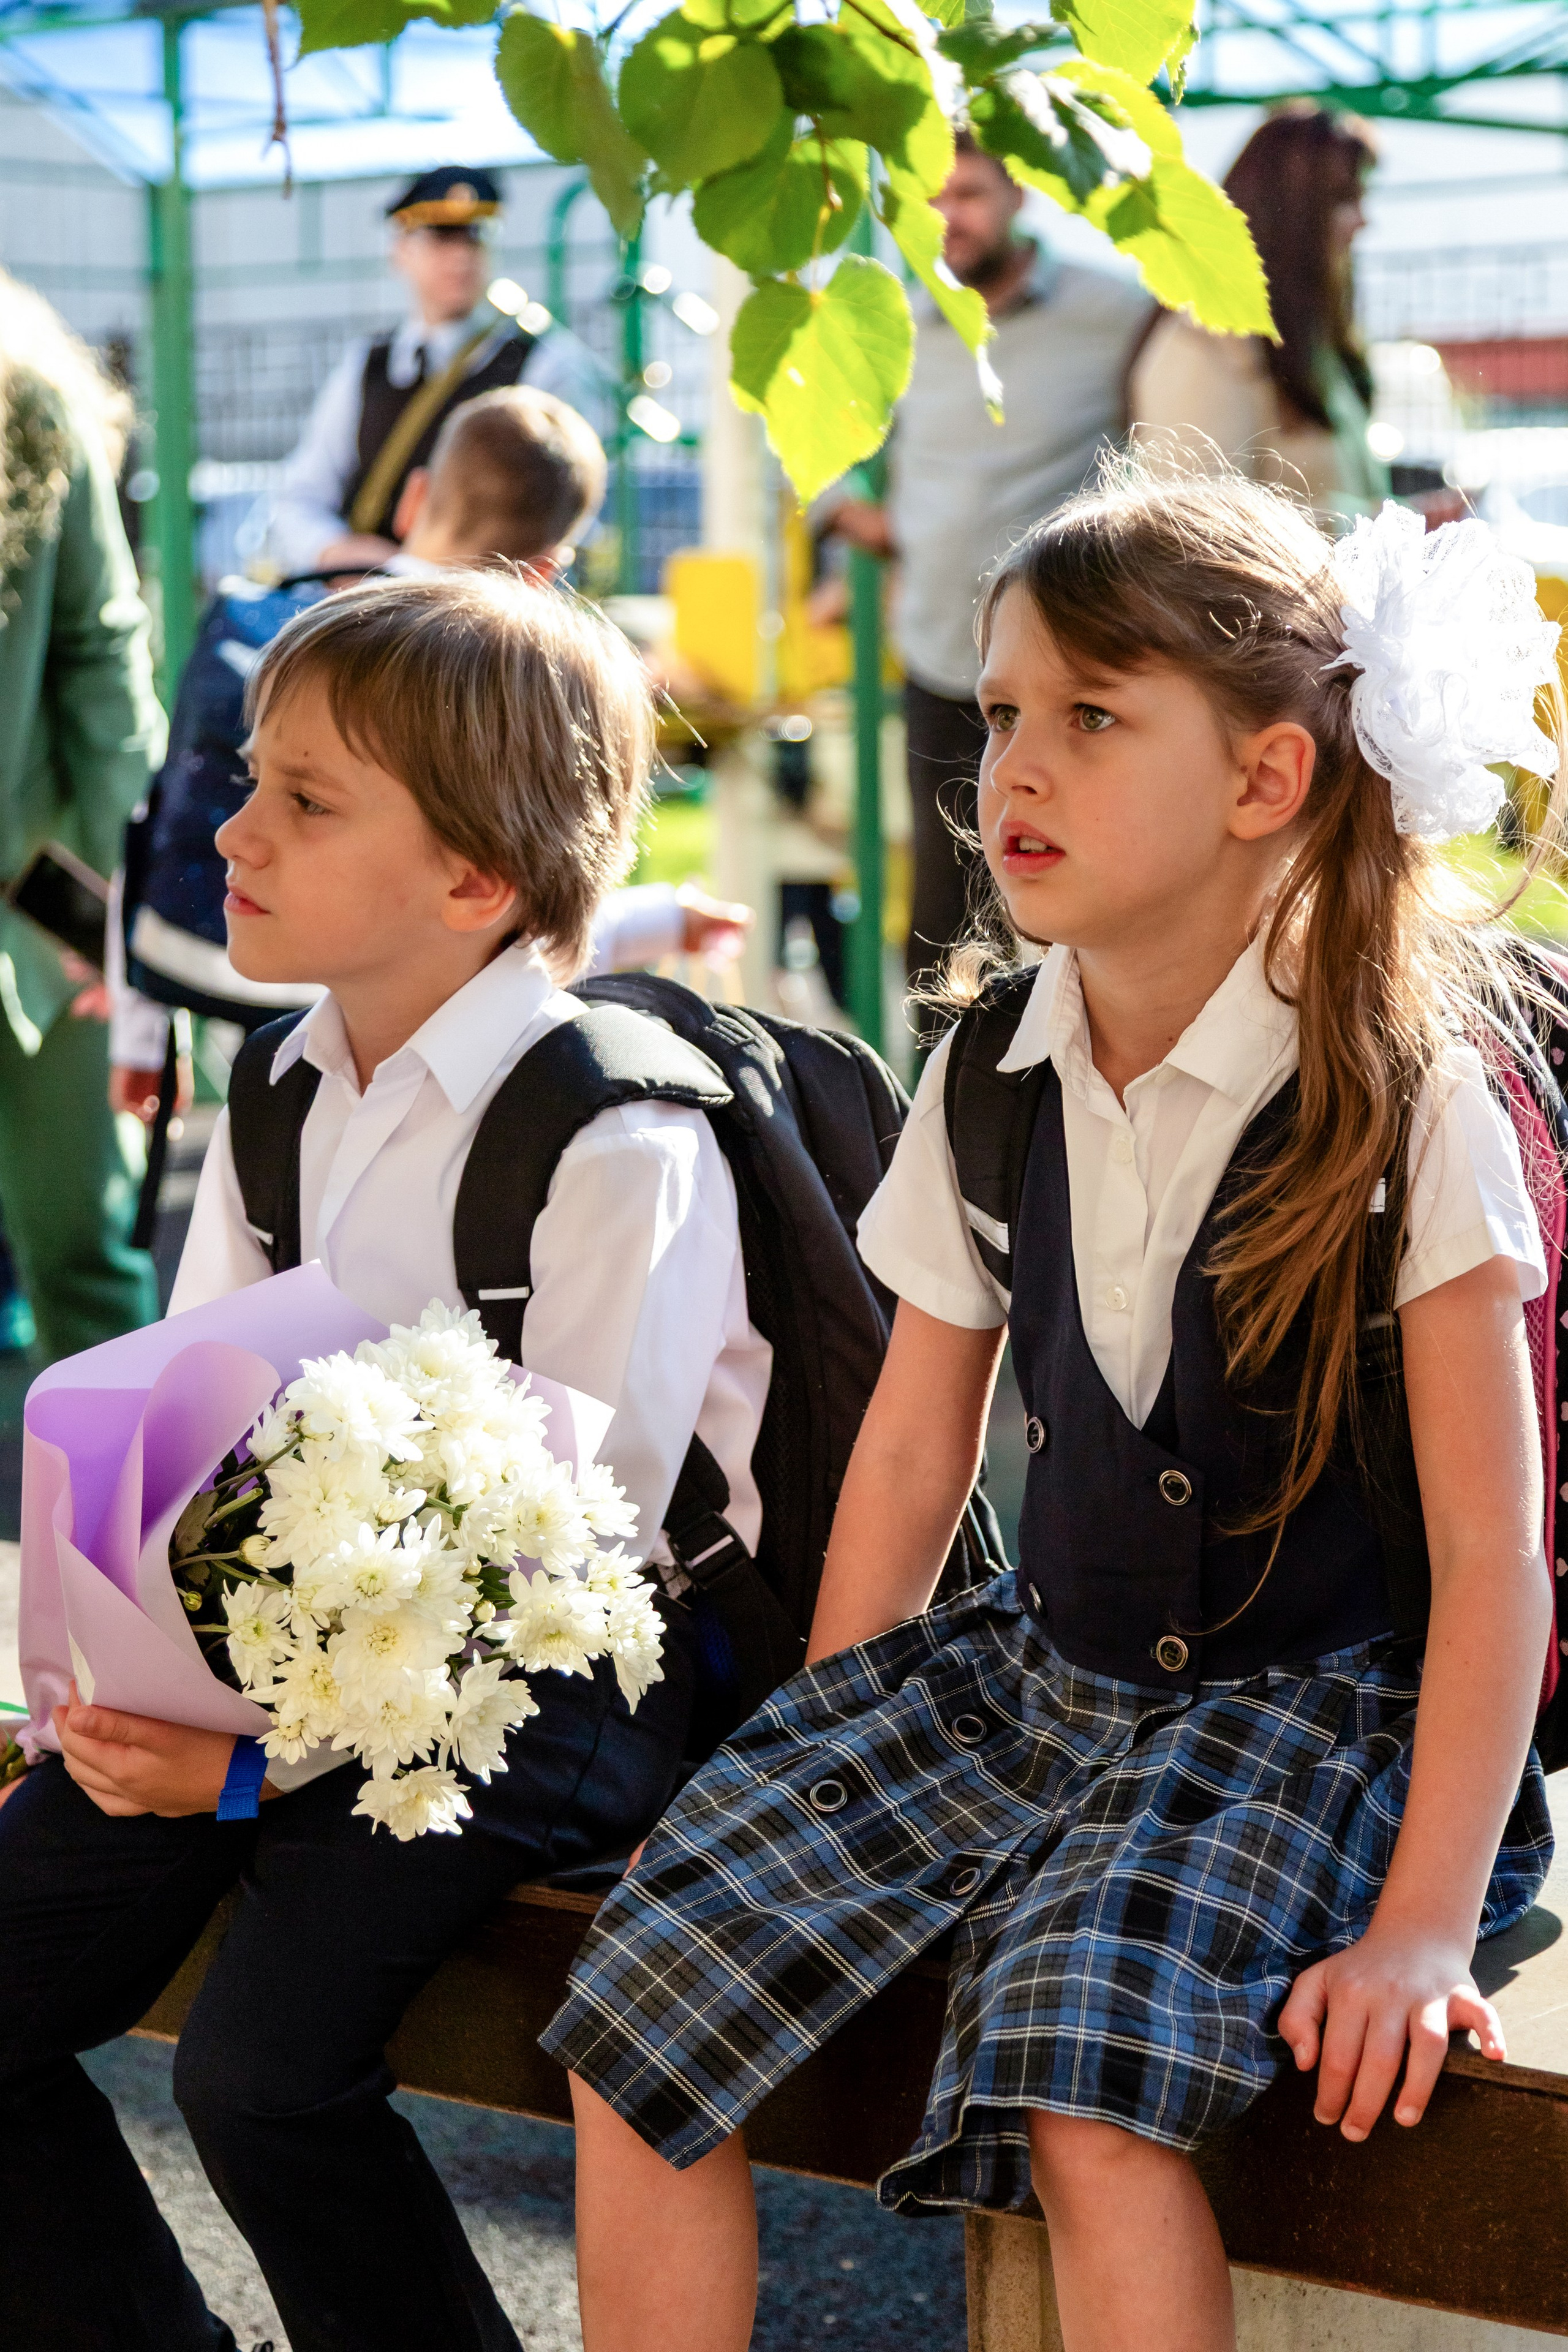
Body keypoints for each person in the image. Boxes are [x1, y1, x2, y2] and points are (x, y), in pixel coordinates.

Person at [543, 469, 1561, 2351]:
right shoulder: (996, 1066)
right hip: (1046, 1673)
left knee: (1085, 2083)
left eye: (1091, 717)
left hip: (1319, 1708)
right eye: (1005, 710)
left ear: (1267, 778)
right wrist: (817, 1741)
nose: (1012, 764)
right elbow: (917, 1445)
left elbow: (1495, 1551)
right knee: (647, 1980)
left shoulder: (1401, 1096)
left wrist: (1421, 1921)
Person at [0, 573, 772, 2352]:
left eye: (301, 799)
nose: (234, 830)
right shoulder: (279, 1080)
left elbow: (572, 1566)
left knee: (262, 2077)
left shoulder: (615, 1135)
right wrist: (100, 1670)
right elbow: (182, 1411)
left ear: (474, 881)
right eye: (252, 777)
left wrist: (251, 1770)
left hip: (543, 1694)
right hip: (275, 1663)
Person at [111, 386, 749, 1121]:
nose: (240, 832)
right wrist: (664, 920)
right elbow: (511, 917)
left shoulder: (304, 633)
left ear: (414, 501)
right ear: (545, 569)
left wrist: (139, 1034)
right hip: (383, 1035)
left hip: (204, 969)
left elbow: (159, 815)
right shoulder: (498, 702)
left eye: (309, 800)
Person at [821, 132, 1150, 1028]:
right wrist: (862, 520)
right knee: (942, 913)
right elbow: (822, 445)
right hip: (943, 657)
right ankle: (946, 1117)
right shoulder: (897, 321)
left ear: (1020, 196)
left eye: (966, 193)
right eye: (930, 200)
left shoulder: (1115, 314)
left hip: (1068, 668)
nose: (947, 218)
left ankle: (1075, 1107)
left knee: (1075, 900)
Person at [0, 268, 164, 1361]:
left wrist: (123, 923)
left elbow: (105, 659)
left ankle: (118, 1533)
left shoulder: (26, 404)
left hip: (37, 910)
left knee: (84, 1254)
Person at [265, 165, 606, 581]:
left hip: (475, 615)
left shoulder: (544, 363)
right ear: (399, 250)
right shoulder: (366, 363)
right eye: (440, 237)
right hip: (358, 606)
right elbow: (300, 497)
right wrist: (339, 554)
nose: (461, 255)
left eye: (475, 237)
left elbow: (560, 516)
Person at [1129, 105, 1388, 528]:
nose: (1363, 222)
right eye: (1345, 199)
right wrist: (1373, 528)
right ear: (1283, 210)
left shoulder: (1310, 347)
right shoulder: (1203, 347)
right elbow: (1196, 540)